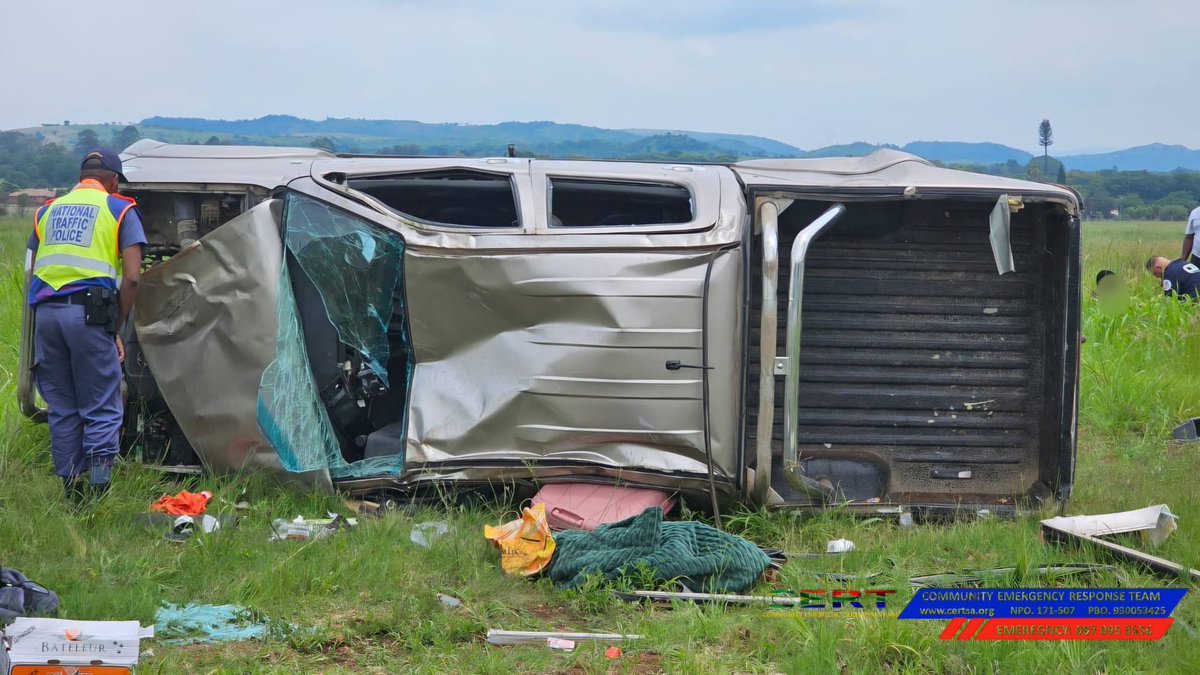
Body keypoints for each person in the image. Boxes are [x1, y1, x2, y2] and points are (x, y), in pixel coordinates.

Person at [27, 149, 146, 506]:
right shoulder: (119, 209)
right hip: (90, 316)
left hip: (46, 316)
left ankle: (71, 493)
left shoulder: (47, 211)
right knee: (101, 405)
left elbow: (31, 268)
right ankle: (97, 493)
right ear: (113, 180)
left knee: (62, 405)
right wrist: (116, 327)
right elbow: (133, 278)